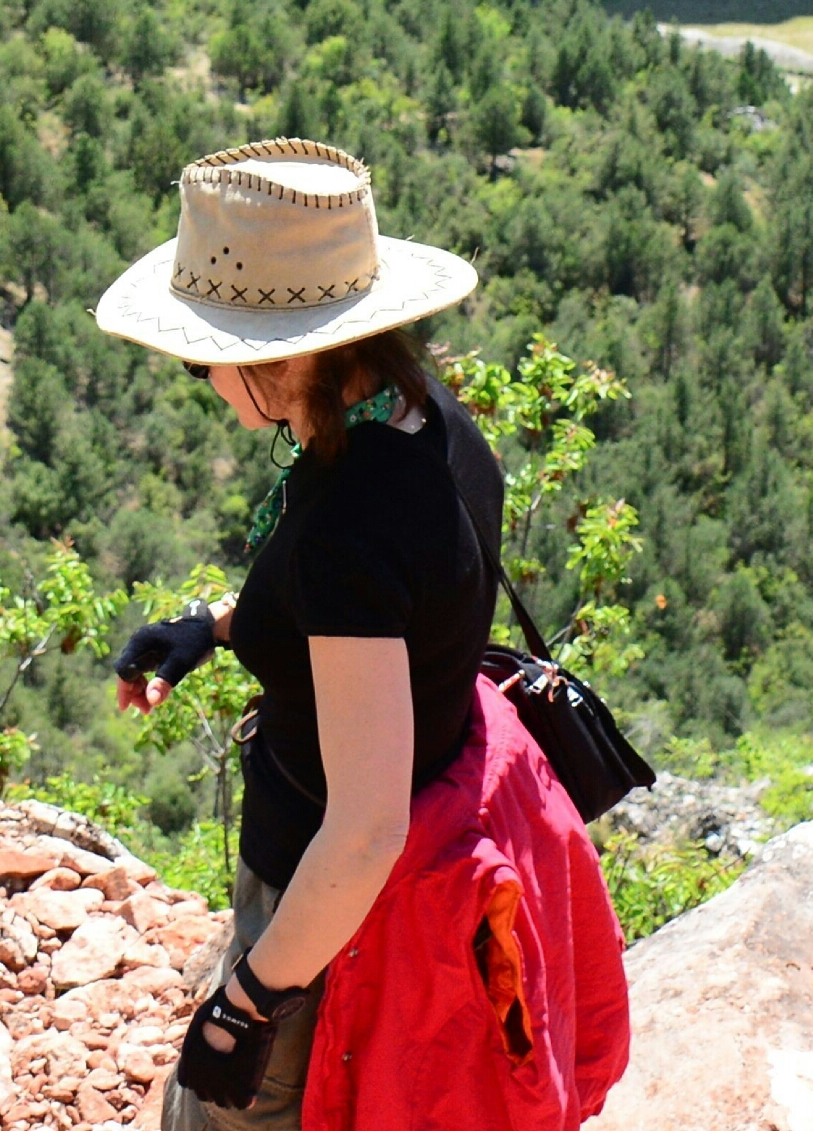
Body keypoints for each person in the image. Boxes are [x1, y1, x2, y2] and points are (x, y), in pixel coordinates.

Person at [94, 138, 621, 1129]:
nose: (203, 377)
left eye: (209, 354)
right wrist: (208, 629)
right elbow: (391, 622)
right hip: (401, 860)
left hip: (336, 903)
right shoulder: (429, 422)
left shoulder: (349, 518)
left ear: (277, 354)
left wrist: (247, 1003)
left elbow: (367, 822)